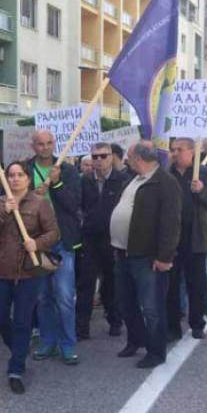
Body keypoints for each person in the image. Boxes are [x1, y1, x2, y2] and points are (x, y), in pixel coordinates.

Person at [0, 161, 59, 394]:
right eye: (11, 175)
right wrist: (4, 211)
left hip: (27, 272)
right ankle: (18, 347)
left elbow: (53, 233)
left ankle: (15, 368)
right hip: (1, 270)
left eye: (20, 175)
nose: (15, 179)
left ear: (28, 178)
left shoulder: (40, 203)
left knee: (23, 321)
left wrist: (37, 243)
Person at [110, 141, 181, 369]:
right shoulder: (134, 179)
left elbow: (171, 224)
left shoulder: (165, 183)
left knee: (152, 307)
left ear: (138, 158)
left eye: (128, 155)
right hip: (123, 253)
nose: (126, 160)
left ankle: (156, 351)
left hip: (147, 257)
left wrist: (165, 258)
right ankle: (135, 340)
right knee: (127, 301)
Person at [25, 129, 82, 366]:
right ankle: (48, 340)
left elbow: (74, 204)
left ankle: (68, 344)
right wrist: (31, 196)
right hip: (37, 242)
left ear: (54, 144)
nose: (45, 148)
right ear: (33, 146)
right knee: (42, 296)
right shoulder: (25, 169)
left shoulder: (67, 170)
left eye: (49, 143)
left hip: (62, 241)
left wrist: (56, 185)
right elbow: (12, 201)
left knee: (64, 296)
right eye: (40, 144)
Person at [166, 138, 207, 341]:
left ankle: (197, 323)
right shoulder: (167, 174)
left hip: (197, 238)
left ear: (192, 151)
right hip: (172, 240)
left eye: (179, 149)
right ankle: (172, 326)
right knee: (171, 286)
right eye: (172, 150)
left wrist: (202, 191)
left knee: (196, 284)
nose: (175, 153)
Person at [76, 142, 127, 340]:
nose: (99, 160)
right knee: (85, 284)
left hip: (113, 240)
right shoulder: (84, 180)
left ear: (111, 157)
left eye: (103, 156)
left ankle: (115, 320)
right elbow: (77, 205)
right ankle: (81, 327)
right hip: (89, 240)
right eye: (95, 156)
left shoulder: (122, 180)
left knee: (112, 283)